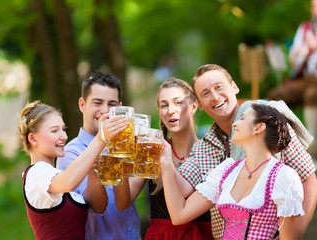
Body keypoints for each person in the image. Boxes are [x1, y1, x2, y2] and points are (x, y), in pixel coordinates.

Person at [175, 64, 317, 239]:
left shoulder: (269, 125)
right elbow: (181, 192)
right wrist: (164, 153)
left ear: (234, 87)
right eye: (205, 93)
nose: (214, 97)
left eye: (219, 87)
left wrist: (293, 234)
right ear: (201, 106)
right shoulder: (203, 148)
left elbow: (310, 181)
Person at [161, 103, 305, 239]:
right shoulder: (227, 170)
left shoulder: (284, 177)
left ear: (259, 127)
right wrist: (166, 161)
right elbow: (179, 215)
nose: (234, 124)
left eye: (242, 118)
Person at [114, 78, 213, 239]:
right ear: (160, 112)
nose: (170, 110)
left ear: (194, 106)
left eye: (178, 103)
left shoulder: (210, 152)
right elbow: (122, 202)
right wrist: (120, 157)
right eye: (164, 105)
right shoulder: (152, 148)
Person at [56, 71, 140, 240]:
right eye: (97, 103)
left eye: (112, 104)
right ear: (82, 104)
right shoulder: (70, 153)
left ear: (121, 108)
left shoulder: (129, 146)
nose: (105, 111)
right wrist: (102, 141)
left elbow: (127, 200)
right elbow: (94, 206)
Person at [19, 101, 112, 240]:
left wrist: (92, 169)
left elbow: (98, 207)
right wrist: (100, 138)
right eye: (54, 130)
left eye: (63, 129)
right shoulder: (36, 173)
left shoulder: (55, 176)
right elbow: (68, 182)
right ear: (33, 138)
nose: (64, 136)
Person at [267, 0, 317, 157]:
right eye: (314, 7)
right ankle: (281, 145)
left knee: (314, 93)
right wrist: (299, 53)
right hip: (307, 79)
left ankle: (312, 146)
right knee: (276, 94)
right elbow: (294, 63)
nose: (315, 11)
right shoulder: (305, 29)